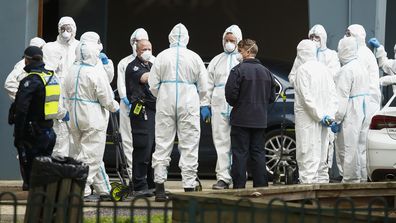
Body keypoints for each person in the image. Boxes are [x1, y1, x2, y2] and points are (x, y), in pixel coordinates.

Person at [148, 23, 208, 201]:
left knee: (162, 143)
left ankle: (159, 189)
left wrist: (163, 95)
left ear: (170, 38)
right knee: (189, 144)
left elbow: (152, 85)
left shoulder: (161, 56)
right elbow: (204, 87)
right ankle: (189, 188)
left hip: (165, 102)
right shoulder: (194, 57)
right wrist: (197, 98)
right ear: (187, 38)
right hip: (188, 102)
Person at [63, 32, 119, 201]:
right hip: (92, 118)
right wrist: (114, 106)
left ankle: (104, 189)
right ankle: (80, 189)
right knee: (90, 156)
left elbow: (65, 92)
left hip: (74, 117)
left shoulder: (72, 71)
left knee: (87, 153)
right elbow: (106, 97)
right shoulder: (94, 72)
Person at [225, 39, 276, 189]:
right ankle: (261, 187)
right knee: (258, 153)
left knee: (240, 154)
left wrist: (239, 104)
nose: (238, 55)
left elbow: (230, 95)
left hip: (241, 119)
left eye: (240, 51)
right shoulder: (266, 72)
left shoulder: (237, 70)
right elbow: (271, 97)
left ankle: (239, 187)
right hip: (260, 119)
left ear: (247, 52)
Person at [201, 25, 242, 190]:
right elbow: (207, 84)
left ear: (238, 41)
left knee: (239, 142)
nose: (229, 43)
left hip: (238, 106)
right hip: (218, 105)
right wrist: (205, 104)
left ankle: (239, 176)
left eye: (232, 40)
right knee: (221, 141)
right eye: (227, 40)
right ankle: (223, 178)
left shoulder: (242, 59)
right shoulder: (216, 61)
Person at [13, 46, 59, 190]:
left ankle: (33, 208)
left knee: (31, 177)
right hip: (49, 131)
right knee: (44, 173)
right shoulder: (51, 77)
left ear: (26, 60)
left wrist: (18, 135)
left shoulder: (31, 81)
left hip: (33, 134)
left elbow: (21, 110)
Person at [293, 39, 337, 184]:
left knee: (307, 155)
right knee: (321, 156)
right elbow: (333, 95)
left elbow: (306, 99)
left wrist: (319, 116)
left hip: (308, 120)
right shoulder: (324, 69)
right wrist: (328, 116)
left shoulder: (302, 70)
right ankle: (323, 194)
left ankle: (307, 195)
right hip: (324, 121)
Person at [345, 24, 381, 182]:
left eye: (348, 34)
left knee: (358, 144)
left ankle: (359, 178)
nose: (345, 37)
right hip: (368, 102)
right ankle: (361, 178)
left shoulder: (360, 54)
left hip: (363, 103)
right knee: (361, 144)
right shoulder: (366, 53)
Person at [333, 37, 370, 183]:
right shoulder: (360, 66)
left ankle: (350, 179)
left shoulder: (346, 70)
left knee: (349, 146)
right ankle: (361, 177)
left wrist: (337, 119)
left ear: (343, 50)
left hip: (352, 110)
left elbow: (342, 98)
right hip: (364, 108)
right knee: (360, 146)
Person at [43, 16, 79, 158]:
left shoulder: (79, 47)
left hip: (75, 95)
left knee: (76, 141)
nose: (66, 32)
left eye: (69, 28)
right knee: (59, 138)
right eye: (63, 28)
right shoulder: (51, 47)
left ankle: (72, 175)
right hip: (57, 95)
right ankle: (58, 174)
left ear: (74, 29)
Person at [117, 28, 151, 179]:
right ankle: (132, 173)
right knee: (129, 140)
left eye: (149, 48)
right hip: (129, 105)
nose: (147, 51)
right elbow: (121, 82)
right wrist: (125, 98)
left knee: (146, 143)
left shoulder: (154, 61)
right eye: (140, 44)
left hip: (149, 109)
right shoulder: (126, 63)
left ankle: (145, 177)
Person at [125, 39, 156, 197]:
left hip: (152, 111)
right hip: (140, 111)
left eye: (149, 48)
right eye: (144, 49)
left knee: (152, 149)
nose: (147, 51)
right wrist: (163, 71)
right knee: (142, 147)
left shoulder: (150, 65)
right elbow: (145, 78)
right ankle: (139, 185)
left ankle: (151, 183)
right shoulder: (134, 67)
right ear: (137, 50)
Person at [4, 37, 46, 101]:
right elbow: (9, 84)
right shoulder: (22, 65)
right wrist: (22, 99)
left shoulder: (42, 64)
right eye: (42, 48)